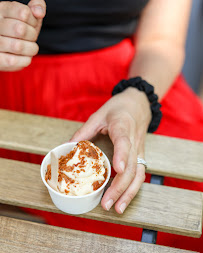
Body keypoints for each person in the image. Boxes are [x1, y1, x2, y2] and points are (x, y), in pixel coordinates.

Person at [0, 0, 203, 251]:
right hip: (12, 75)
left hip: (130, 79)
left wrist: (139, 97)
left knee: (185, 200)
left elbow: (162, 41)